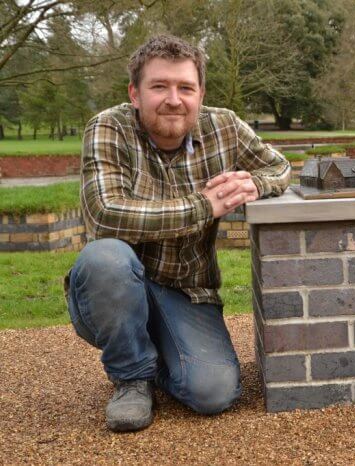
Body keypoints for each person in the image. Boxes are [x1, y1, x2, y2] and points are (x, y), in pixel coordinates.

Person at [64, 35, 291, 432]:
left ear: (200, 93)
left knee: (213, 393)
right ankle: (132, 377)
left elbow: (282, 168)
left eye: (185, 87)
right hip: (114, 286)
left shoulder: (225, 126)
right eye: (159, 86)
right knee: (106, 256)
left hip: (188, 290)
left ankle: (153, 362)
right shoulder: (108, 127)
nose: (174, 99)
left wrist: (256, 184)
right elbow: (106, 216)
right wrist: (204, 206)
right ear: (135, 93)